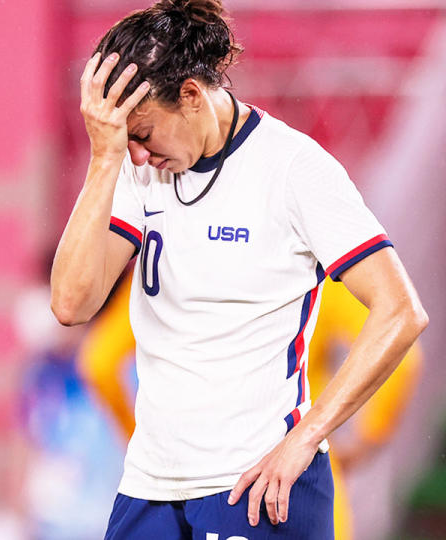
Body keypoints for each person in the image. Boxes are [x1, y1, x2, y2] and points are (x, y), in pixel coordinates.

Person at [49, 0, 428, 537]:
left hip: (254, 486)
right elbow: (70, 304)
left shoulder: (295, 170)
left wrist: (307, 437)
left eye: (143, 134)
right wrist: (102, 157)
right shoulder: (133, 170)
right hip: (149, 485)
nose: (136, 154)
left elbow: (401, 312)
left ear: (191, 96)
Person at [77, 271, 424, 540]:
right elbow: (400, 347)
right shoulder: (307, 263)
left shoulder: (171, 260)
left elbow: (99, 362)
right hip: (292, 485)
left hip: (185, 489)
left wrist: (144, 443)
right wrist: (366, 440)